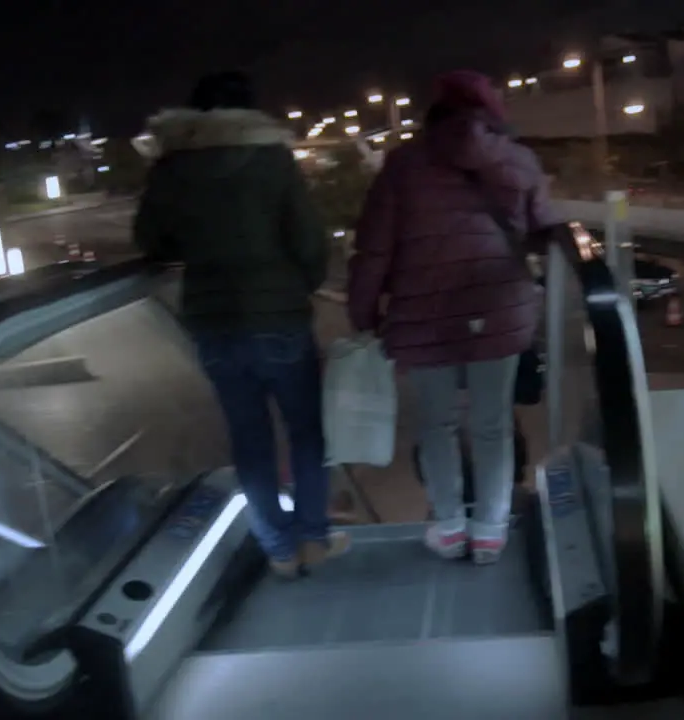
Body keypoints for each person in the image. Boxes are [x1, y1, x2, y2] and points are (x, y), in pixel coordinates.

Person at [133, 71, 348, 579]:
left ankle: (276, 547)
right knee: (307, 433)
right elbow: (308, 240)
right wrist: (299, 287)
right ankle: (313, 538)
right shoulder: (273, 160)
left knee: (248, 439)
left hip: (213, 322)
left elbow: (151, 240)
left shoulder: (171, 167)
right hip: (279, 319)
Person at [347, 70, 559, 565]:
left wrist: (363, 313)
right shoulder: (520, 160)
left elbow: (374, 248)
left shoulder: (403, 165)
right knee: (492, 426)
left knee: (436, 425)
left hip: (425, 316)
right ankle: (489, 530)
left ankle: (448, 526)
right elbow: (543, 229)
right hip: (499, 309)